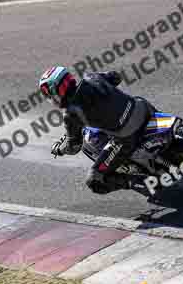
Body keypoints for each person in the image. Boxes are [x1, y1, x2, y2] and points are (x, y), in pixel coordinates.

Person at [38, 66, 153, 194]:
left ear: (57, 92)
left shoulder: (71, 115)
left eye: (50, 95)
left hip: (126, 137)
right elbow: (116, 76)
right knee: (138, 100)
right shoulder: (91, 77)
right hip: (143, 109)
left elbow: (74, 147)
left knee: (94, 180)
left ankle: (145, 183)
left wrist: (59, 149)